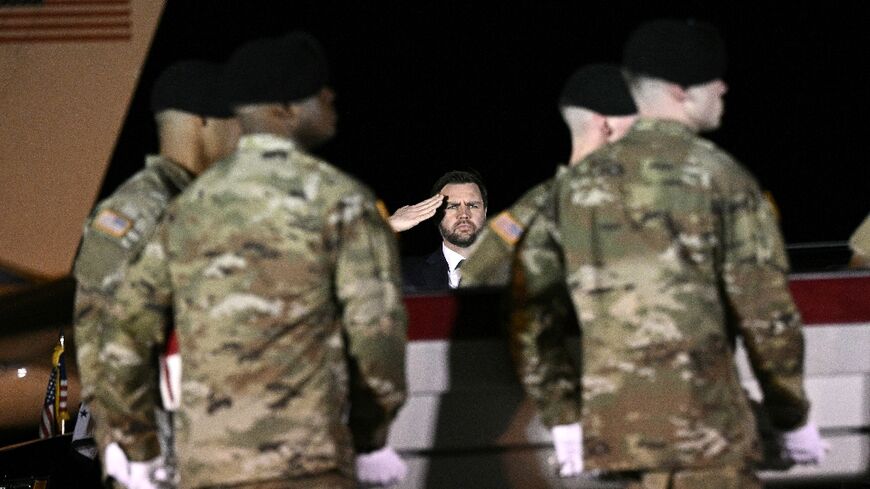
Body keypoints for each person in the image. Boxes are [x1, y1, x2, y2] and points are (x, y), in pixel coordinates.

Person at [509, 19, 827, 488]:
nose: (723, 87)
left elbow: (530, 316)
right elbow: (766, 314)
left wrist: (563, 415)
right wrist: (791, 416)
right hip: (706, 437)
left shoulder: (570, 190)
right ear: (680, 91)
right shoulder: (721, 178)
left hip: (617, 441)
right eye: (711, 80)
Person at [92, 32, 408, 489]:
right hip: (308, 465)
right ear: (284, 109)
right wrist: (371, 439)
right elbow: (378, 337)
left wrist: (139, 447)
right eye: (319, 90)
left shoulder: (187, 209)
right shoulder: (341, 202)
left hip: (208, 468)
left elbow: (122, 334)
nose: (331, 97)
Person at [72, 59, 240, 486]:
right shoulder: (139, 211)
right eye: (235, 122)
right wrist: (138, 459)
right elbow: (103, 345)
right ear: (202, 121)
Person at [460, 63, 637, 287]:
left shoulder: (529, 210)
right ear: (607, 125)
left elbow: (472, 283)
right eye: (638, 125)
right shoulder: (640, 206)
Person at [401, 170, 488, 292]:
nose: (463, 214)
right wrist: (388, 226)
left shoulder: (512, 271)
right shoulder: (405, 273)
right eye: (452, 206)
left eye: (472, 206)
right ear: (436, 215)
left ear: (484, 212)